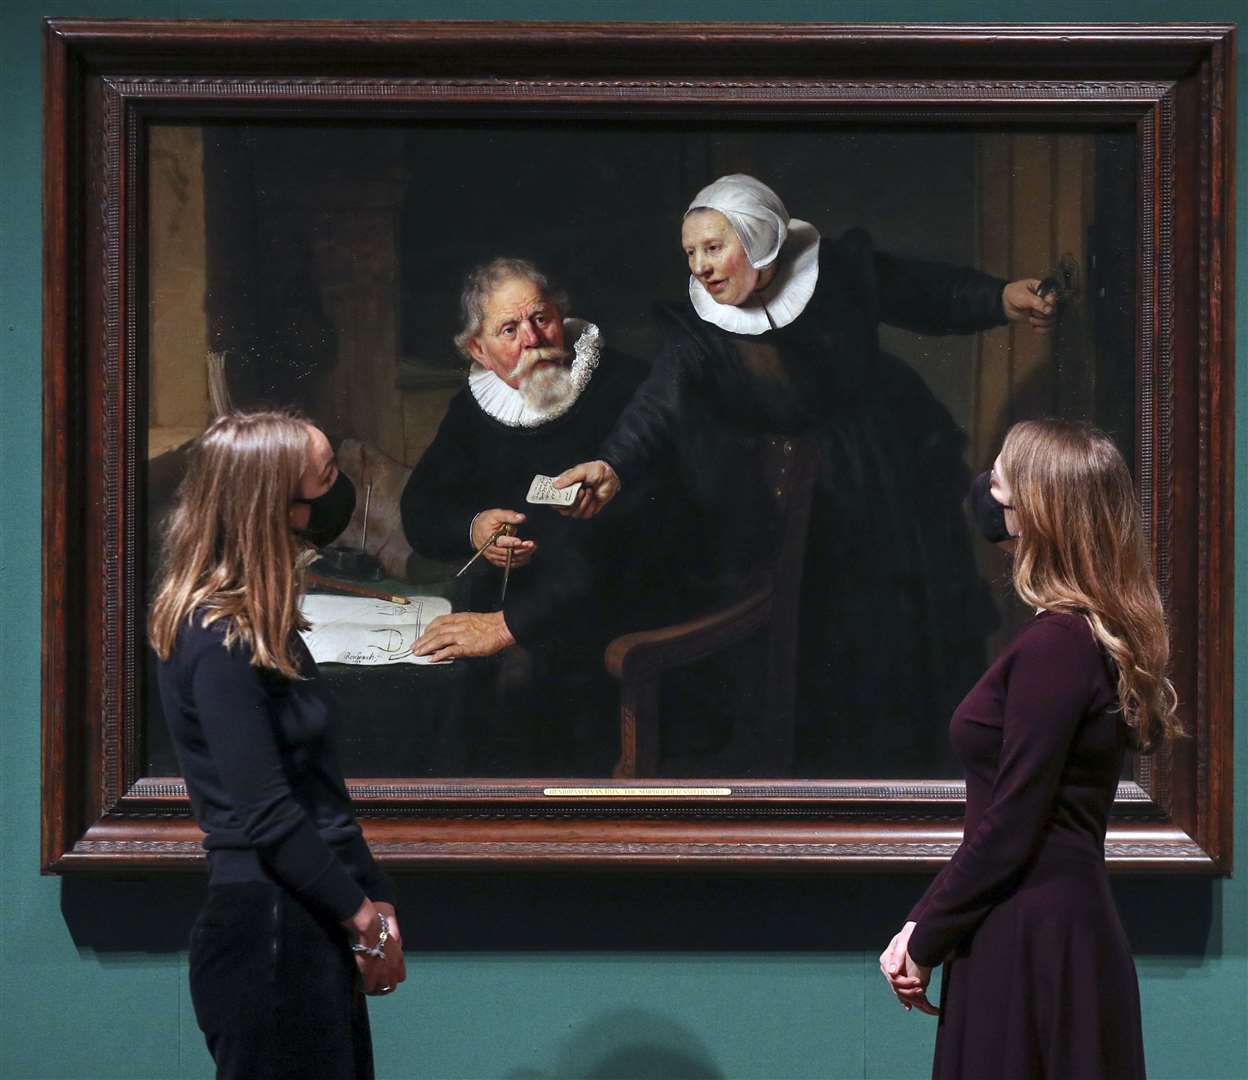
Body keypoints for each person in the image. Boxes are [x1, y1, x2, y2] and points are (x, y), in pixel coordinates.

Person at [555, 173, 1057, 774]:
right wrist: (611, 463)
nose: (702, 267)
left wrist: (1002, 297)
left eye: (713, 248)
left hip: (890, 476)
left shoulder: (838, 270)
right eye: (690, 254)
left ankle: (924, 775)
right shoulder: (699, 331)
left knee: (911, 630)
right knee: (827, 652)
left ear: (759, 236)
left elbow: (925, 293)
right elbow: (656, 407)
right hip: (801, 507)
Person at [879, 420, 1180, 1079]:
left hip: (1033, 941)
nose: (987, 491)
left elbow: (1014, 821)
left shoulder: (1059, 645)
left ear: (1038, 512)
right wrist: (932, 925)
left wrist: (923, 936)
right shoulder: (1066, 638)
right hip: (1035, 930)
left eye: (1001, 479)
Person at [148, 410, 405, 1080]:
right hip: (266, 936)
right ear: (275, 507)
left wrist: (374, 901)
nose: (339, 493)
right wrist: (365, 921)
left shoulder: (262, 628)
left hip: (306, 927)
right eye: (325, 479)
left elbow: (318, 791)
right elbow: (267, 814)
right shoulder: (217, 640)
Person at [404, 257, 687, 770]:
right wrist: (475, 528)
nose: (532, 339)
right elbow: (420, 510)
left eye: (540, 318)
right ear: (479, 350)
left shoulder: (627, 387)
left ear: (561, 315)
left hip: (613, 614)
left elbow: (643, 540)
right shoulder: (475, 410)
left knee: (518, 687)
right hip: (517, 610)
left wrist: (512, 626)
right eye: (508, 330)